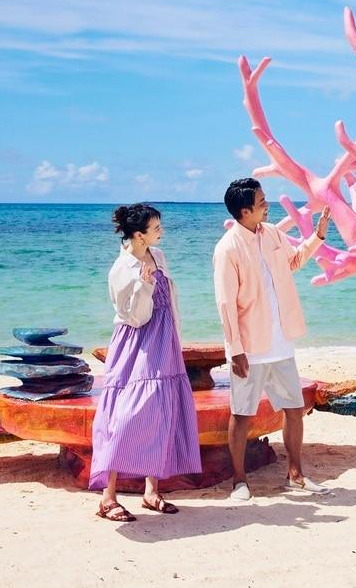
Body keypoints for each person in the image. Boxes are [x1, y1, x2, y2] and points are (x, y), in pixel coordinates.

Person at [213, 177, 333, 501]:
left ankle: (296, 476)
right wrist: (234, 350)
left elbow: (294, 261)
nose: (267, 205)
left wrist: (318, 236)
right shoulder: (227, 248)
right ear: (245, 210)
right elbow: (225, 304)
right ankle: (239, 482)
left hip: (282, 342)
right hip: (249, 348)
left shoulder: (272, 235)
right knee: (242, 414)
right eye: (262, 201)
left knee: (294, 408)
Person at [90, 203, 202, 522]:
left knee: (162, 411)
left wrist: (176, 337)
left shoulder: (158, 256)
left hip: (164, 342)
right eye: (155, 229)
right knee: (123, 416)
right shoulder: (121, 269)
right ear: (139, 235)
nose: (161, 232)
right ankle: (107, 497)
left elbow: (171, 303)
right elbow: (136, 317)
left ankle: (151, 492)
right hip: (136, 345)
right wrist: (145, 283)